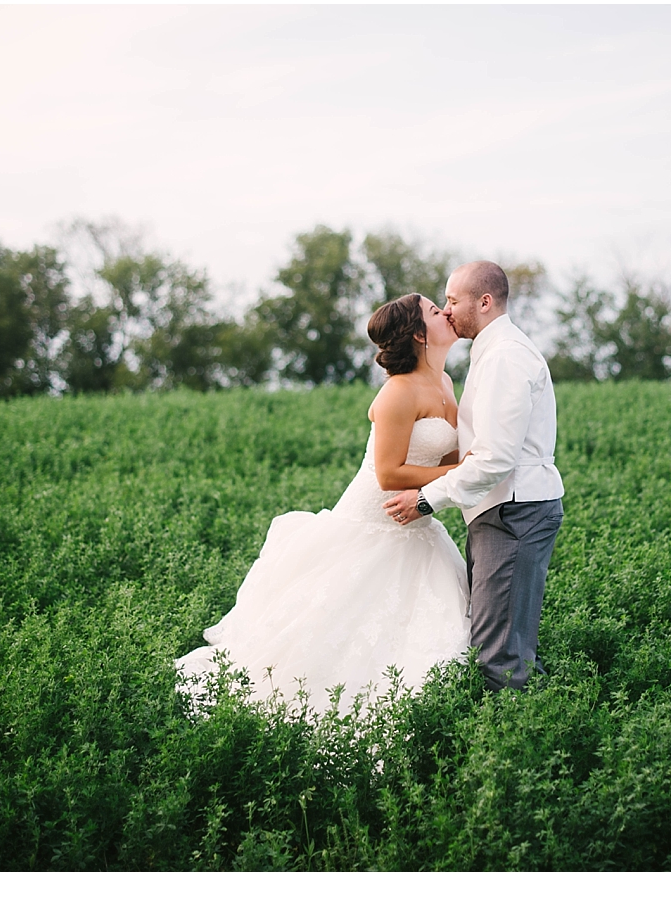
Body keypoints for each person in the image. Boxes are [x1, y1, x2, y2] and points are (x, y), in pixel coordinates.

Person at [175, 293, 471, 715]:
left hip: (416, 523)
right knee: (333, 629)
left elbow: (447, 461)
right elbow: (388, 474)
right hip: (374, 518)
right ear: (420, 334)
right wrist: (465, 471)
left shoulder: (444, 383)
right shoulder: (397, 394)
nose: (445, 312)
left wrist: (471, 469)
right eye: (434, 310)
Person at [384, 261, 564, 691]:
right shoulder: (491, 353)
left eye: (452, 300)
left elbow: (494, 458)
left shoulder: (504, 357)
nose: (446, 311)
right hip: (501, 511)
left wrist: (426, 498)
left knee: (499, 652)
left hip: (514, 513)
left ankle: (513, 745)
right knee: (501, 643)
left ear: (484, 302)